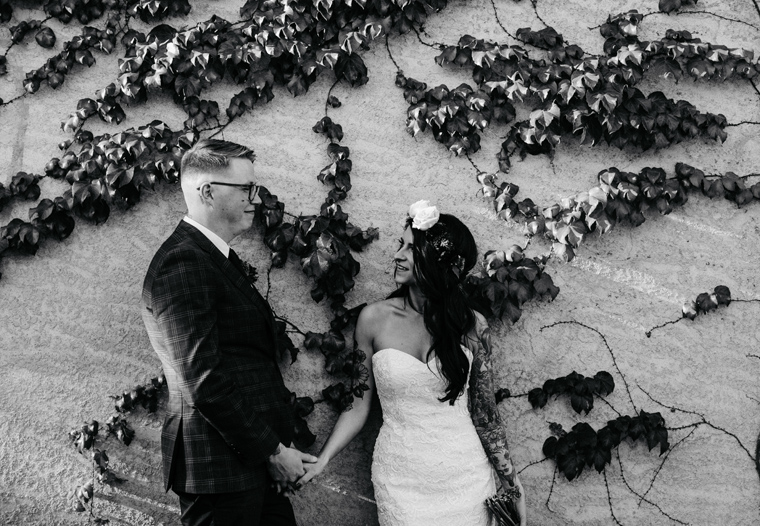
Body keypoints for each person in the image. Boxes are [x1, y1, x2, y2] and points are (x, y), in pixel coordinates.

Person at [297, 200, 527, 525]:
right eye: (400, 245)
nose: (398, 255)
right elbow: (357, 406)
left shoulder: (471, 325)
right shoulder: (374, 320)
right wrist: (323, 460)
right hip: (401, 479)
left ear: (439, 262)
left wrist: (510, 482)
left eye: (409, 248)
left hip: (467, 476)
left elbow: (486, 414)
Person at [141, 139, 317, 526]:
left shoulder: (212, 256)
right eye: (246, 189)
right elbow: (204, 380)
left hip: (247, 461)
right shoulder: (183, 262)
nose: (256, 198)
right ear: (207, 192)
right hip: (219, 468)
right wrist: (272, 451)